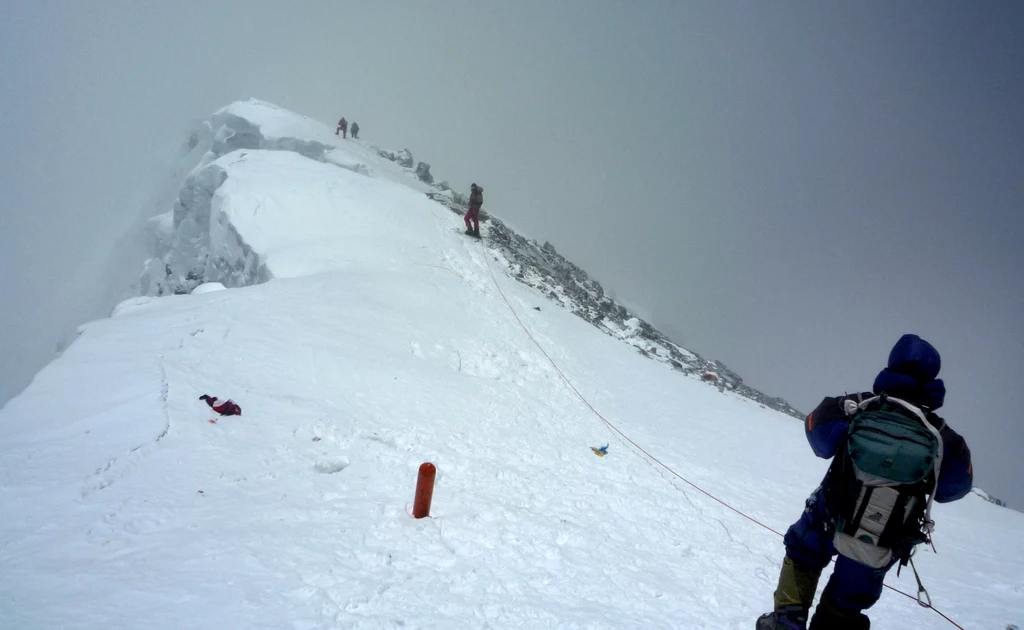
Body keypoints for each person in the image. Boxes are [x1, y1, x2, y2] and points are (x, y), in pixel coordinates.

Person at [757, 334, 973, 630]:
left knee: (803, 553)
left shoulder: (857, 406)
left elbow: (818, 439)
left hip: (827, 515)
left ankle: (786, 621)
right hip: (884, 535)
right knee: (848, 597)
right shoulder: (943, 437)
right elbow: (954, 489)